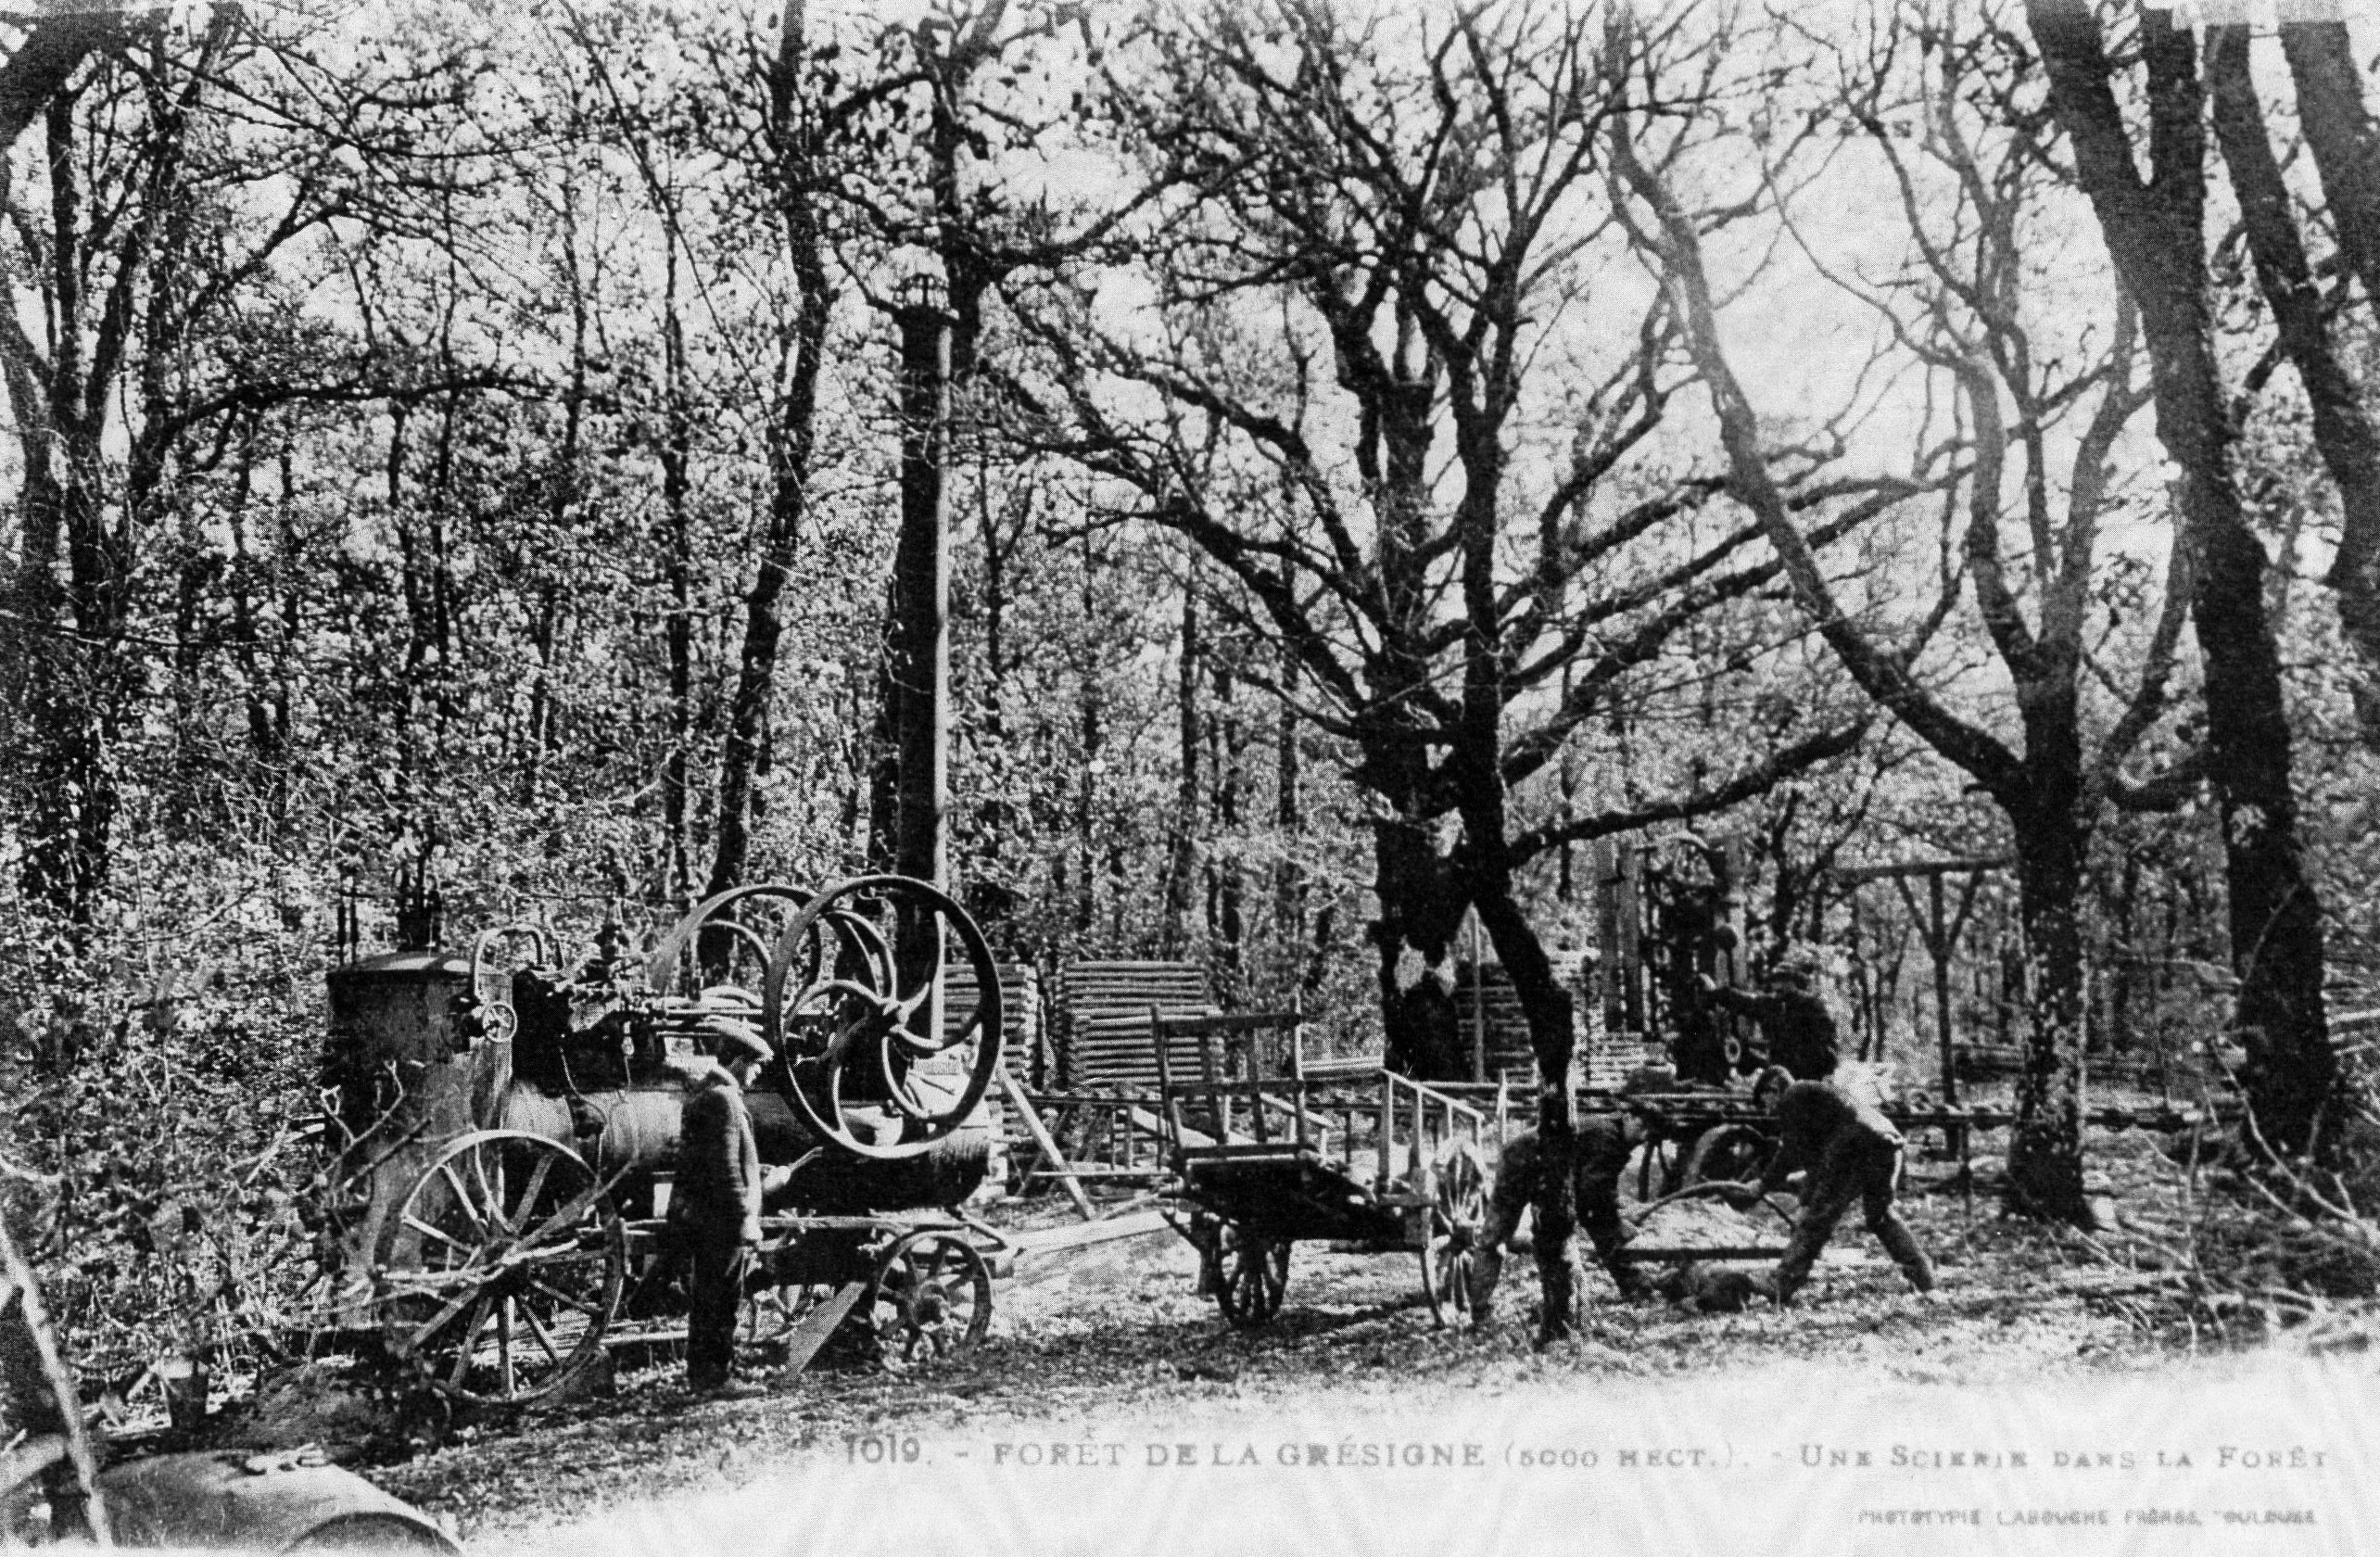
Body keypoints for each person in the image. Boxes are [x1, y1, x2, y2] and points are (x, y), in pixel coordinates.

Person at [1723, 1067, 1934, 1305]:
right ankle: (1923, 1276)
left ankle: (1781, 1284)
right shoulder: (1818, 1097)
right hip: (1887, 1143)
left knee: (1817, 1219)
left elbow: (1791, 1151)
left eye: (1765, 1102)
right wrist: (1806, 1194)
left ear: (1774, 1090)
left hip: (1855, 1147)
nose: (1768, 1110)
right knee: (1880, 1216)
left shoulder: (1792, 1096)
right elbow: (1815, 1159)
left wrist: (1763, 1184)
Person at [1468, 1112, 1652, 1338]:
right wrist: (1615, 1222)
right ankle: (1478, 1311)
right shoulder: (1607, 1138)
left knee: (1585, 1229)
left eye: (1650, 1133)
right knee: (1496, 1236)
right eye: (1642, 1126)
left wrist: (1613, 1214)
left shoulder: (1613, 1137)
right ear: (1628, 1117)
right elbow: (1592, 1194)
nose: (1644, 1137)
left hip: (1547, 1169)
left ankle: (1629, 1285)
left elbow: (1601, 1188)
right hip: (1522, 1162)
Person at [671, 1018, 772, 1398]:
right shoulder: (724, 1100)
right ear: (738, 1061)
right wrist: (745, 1216)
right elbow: (726, 1168)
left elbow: (721, 1159)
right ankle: (716, 1377)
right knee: (722, 1297)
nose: (757, 1073)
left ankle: (705, 1374)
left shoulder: (708, 1095)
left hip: (707, 1214)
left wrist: (760, 1172)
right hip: (721, 1218)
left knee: (710, 1296)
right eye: (754, 1065)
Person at [1699, 950, 1841, 1080]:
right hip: (1787, 1070)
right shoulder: (1774, 1004)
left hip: (1808, 1070)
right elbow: (1744, 1001)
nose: (1778, 985)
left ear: (1793, 982)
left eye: (1783, 980)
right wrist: (1716, 993)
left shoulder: (1810, 1005)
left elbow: (1827, 1040)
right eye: (1776, 981)